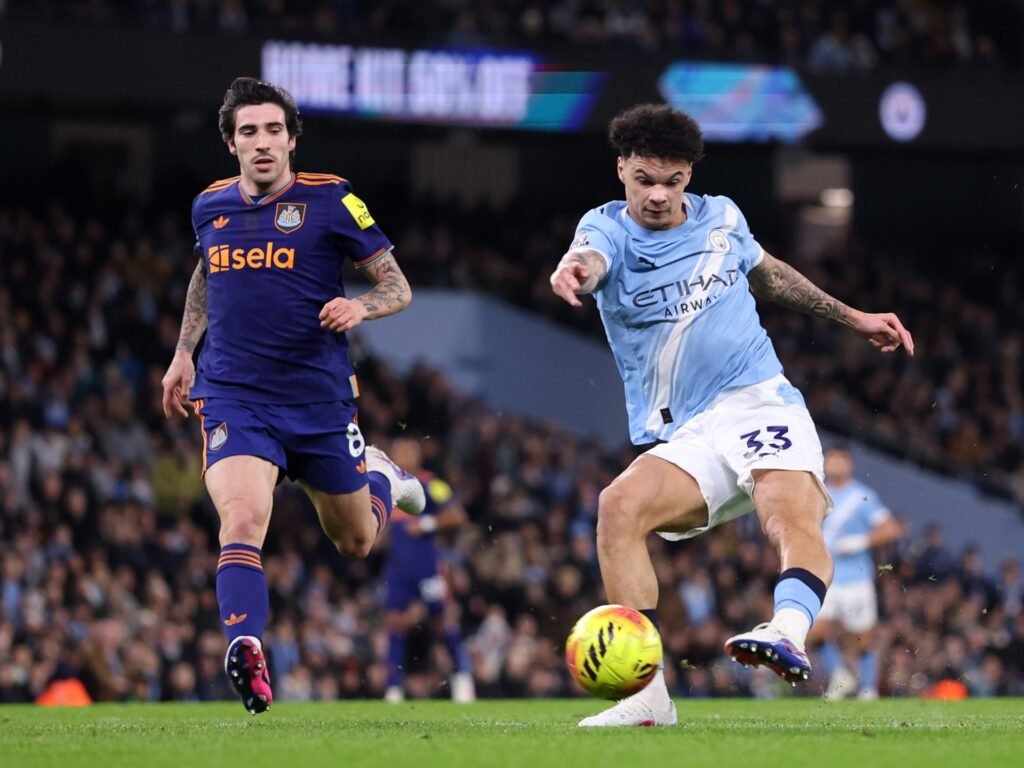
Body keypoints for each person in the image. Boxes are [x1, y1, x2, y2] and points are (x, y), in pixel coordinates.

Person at [549, 104, 914, 727]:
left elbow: (768, 275)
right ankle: (648, 698)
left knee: (786, 512)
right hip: (689, 429)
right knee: (618, 507)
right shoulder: (605, 229)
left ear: (689, 175)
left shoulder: (723, 217)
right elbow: (591, 257)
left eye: (672, 181)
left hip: (757, 398)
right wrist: (575, 270)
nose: (658, 195)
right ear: (622, 169)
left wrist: (853, 317)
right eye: (645, 179)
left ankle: (788, 631)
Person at [160, 77, 426, 715]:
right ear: (232, 144)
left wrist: (359, 307)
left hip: (318, 401)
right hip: (235, 396)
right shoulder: (209, 206)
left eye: (273, 130)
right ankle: (247, 647)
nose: (262, 143)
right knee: (242, 520)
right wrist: (183, 351)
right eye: (248, 132)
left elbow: (397, 286)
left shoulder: (332, 199)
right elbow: (206, 272)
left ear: (291, 140)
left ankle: (382, 476)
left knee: (356, 542)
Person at [380, 436, 476, 704]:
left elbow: (458, 515)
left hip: (428, 569)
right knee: (394, 625)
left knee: (442, 622)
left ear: (418, 456)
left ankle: (463, 678)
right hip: (398, 571)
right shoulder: (385, 486)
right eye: (398, 450)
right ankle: (393, 689)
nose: (403, 455)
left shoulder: (431, 484)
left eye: (408, 451)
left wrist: (426, 524)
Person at [809, 445, 903, 700]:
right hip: (825, 577)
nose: (836, 465)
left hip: (856, 579)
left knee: (862, 638)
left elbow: (891, 529)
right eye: (832, 460)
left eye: (841, 460)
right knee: (813, 631)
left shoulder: (861, 496)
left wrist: (860, 541)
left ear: (850, 465)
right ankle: (840, 675)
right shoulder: (817, 493)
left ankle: (868, 688)